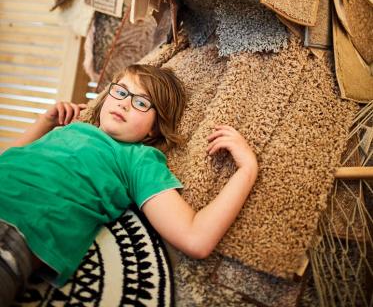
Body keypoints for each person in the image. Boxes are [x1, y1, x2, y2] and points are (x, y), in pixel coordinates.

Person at [0, 64, 258, 306]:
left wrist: (247, 170)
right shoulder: (69, 129)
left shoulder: (137, 159)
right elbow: (8, 161)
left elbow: (196, 238)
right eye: (121, 91)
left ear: (153, 130)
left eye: (141, 102)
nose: (124, 103)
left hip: (17, 228)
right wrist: (45, 122)